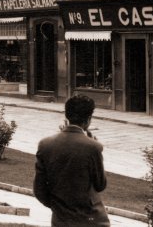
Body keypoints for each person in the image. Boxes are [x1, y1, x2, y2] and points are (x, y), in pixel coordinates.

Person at [34, 95, 109, 226]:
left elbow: (39, 189)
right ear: (88, 119)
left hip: (61, 220)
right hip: (91, 220)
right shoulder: (93, 147)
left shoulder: (45, 144)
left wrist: (58, 207)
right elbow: (100, 184)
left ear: (67, 116)